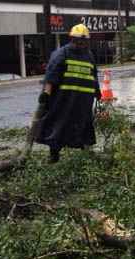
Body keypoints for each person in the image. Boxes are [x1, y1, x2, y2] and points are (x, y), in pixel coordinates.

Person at [35, 24, 101, 163]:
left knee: (84, 125)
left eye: (84, 41)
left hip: (83, 101)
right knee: (58, 124)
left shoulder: (89, 56)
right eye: (78, 40)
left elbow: (93, 76)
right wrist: (46, 93)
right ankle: (54, 155)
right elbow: (52, 74)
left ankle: (86, 154)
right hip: (63, 100)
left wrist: (97, 92)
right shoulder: (62, 53)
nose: (81, 43)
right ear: (72, 39)